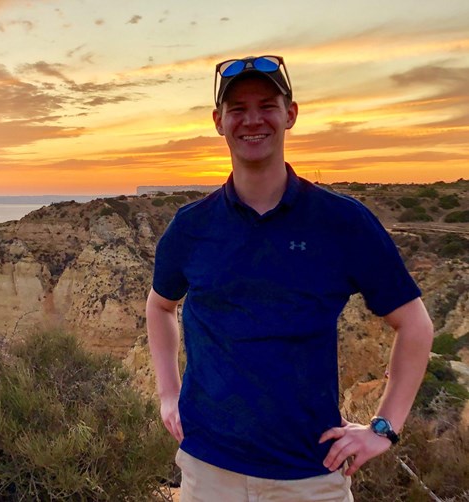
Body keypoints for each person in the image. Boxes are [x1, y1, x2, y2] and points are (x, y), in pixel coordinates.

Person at [146, 55, 434, 501]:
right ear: (219, 121)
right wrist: (169, 393)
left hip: (310, 475)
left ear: (291, 114)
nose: (252, 120)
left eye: (267, 105)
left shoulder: (343, 222)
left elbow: (415, 324)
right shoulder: (191, 226)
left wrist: (383, 428)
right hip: (208, 471)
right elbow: (160, 305)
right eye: (238, 109)